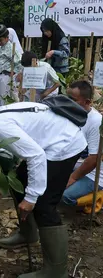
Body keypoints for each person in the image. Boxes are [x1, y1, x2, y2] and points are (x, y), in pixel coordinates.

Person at [0, 101, 87, 277]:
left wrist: (30, 198)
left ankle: (56, 271)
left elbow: (36, 155)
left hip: (64, 144)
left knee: (44, 204)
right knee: (19, 179)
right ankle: (28, 234)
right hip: (53, 141)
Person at [63, 81, 103, 213]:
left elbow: (93, 159)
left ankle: (99, 197)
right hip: (76, 164)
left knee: (65, 196)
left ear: (87, 102)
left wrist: (73, 178)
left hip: (93, 173)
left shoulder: (95, 122)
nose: (68, 102)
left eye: (73, 100)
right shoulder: (71, 113)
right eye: (67, 98)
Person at [0, 25, 23, 105]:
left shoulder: (11, 48)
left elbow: (20, 63)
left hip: (6, 77)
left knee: (4, 100)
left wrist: (15, 72)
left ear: (6, 38)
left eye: (0, 40)